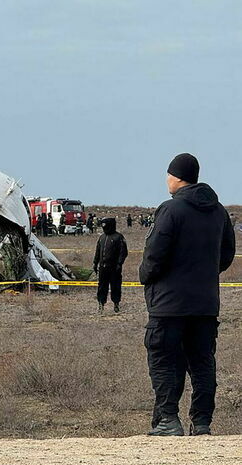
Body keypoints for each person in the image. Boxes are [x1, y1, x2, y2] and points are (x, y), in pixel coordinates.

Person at [139, 153, 235, 436]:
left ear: (176, 177)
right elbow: (227, 254)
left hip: (169, 305)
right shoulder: (219, 212)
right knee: (202, 362)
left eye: (168, 174)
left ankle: (168, 419)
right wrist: (203, 275)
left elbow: (155, 254)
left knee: (164, 360)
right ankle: (202, 422)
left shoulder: (171, 210)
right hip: (205, 304)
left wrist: (146, 275)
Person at [93, 218, 128, 313]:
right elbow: (98, 251)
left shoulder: (119, 237)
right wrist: (95, 263)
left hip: (114, 268)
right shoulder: (102, 237)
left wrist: (119, 264)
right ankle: (101, 304)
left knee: (115, 286)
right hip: (103, 267)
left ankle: (116, 304)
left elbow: (123, 252)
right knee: (101, 286)